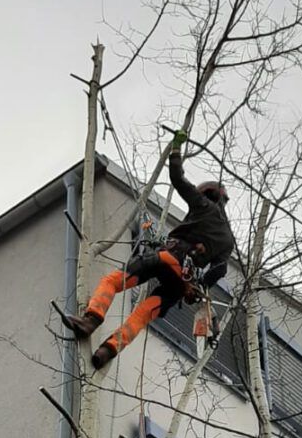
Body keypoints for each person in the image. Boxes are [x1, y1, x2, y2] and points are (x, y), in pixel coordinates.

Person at [62, 130, 235, 368]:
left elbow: (177, 178)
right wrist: (200, 284)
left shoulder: (204, 205)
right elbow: (220, 270)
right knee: (144, 312)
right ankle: (108, 351)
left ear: (207, 194)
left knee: (113, 281)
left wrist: (175, 149)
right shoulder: (228, 240)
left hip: (169, 258)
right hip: (184, 283)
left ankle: (90, 321)